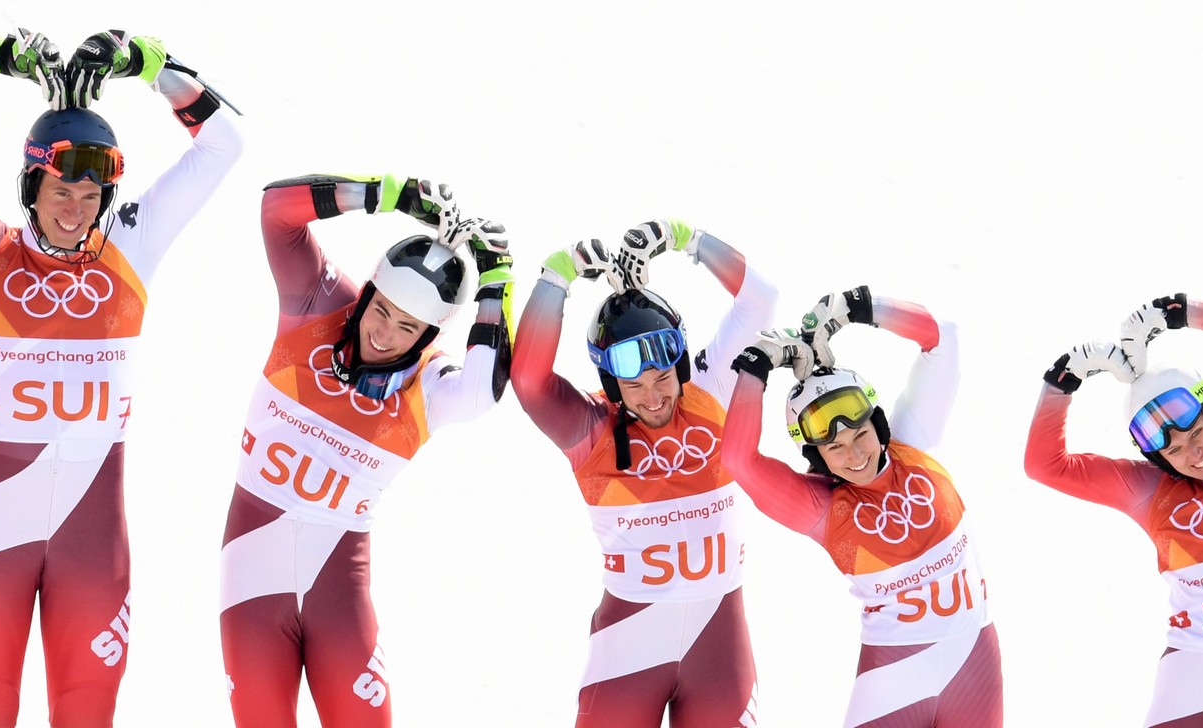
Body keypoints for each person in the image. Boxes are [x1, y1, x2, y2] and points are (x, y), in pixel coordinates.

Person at [0, 28, 243, 727]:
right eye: (58, 189)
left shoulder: (131, 246)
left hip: (91, 536)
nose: (74, 210)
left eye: (90, 193)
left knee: (86, 712)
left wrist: (150, 67)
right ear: (30, 184)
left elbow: (223, 146)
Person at [219, 174, 513, 726]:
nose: (383, 334)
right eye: (380, 312)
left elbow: (480, 390)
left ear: (428, 338)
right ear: (367, 296)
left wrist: (496, 282)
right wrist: (386, 194)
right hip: (254, 573)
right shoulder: (318, 304)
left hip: (337, 588)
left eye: (407, 328)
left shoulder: (427, 385)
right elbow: (277, 212)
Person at [512, 220, 775, 727]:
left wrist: (685, 238)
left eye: (661, 378)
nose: (653, 396)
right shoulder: (588, 429)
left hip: (717, 648)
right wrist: (557, 276)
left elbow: (761, 301)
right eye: (632, 385)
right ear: (610, 383)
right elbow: (527, 379)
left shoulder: (711, 389)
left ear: (678, 364)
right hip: (628, 649)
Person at [723, 285, 1004, 727]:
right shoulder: (819, 508)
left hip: (974, 666)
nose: (855, 455)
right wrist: (756, 365)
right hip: (894, 680)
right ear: (816, 458)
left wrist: (859, 307)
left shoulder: (914, 441)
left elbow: (941, 338)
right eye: (835, 448)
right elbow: (738, 460)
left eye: (860, 435)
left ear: (877, 423)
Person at [1024, 293, 1203, 727]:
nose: (1194, 454)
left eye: (1197, 432)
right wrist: (1065, 379)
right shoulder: (1151, 490)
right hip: (1191, 679)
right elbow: (1044, 465)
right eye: (1174, 451)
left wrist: (1179, 312)